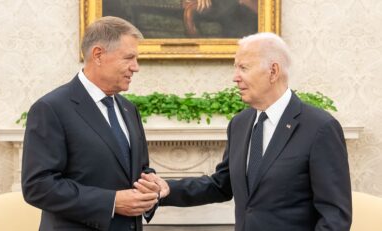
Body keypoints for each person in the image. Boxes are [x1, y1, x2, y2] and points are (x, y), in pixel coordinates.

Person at [139, 32, 352, 231]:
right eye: (235, 68)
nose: (235, 77)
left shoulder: (320, 128)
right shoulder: (240, 123)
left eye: (244, 68)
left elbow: (335, 216)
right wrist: (167, 188)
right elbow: (221, 185)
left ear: (273, 71)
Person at [21, 16, 161, 231]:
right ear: (98, 55)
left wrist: (150, 185)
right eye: (129, 58)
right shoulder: (51, 108)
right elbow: (38, 186)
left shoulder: (128, 109)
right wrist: (111, 202)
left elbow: (138, 169)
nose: (136, 67)